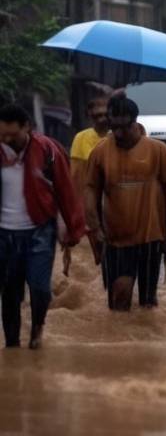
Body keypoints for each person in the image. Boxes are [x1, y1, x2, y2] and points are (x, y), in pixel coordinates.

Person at [0, 104, 85, 349]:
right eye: (2, 135)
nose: (7, 140)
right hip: (4, 233)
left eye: (12, 135)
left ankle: (38, 325)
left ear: (26, 128)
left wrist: (73, 229)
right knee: (10, 293)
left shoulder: (47, 150)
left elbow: (65, 191)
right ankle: (12, 346)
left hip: (39, 229)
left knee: (39, 288)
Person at [85, 96, 166, 311]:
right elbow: (90, 190)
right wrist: (95, 228)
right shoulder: (100, 152)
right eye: (113, 127)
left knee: (148, 303)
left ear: (135, 122)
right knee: (119, 297)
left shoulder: (158, 151)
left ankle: (144, 342)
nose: (118, 133)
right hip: (115, 239)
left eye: (123, 127)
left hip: (151, 238)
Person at [70, 96, 110, 268]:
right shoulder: (81, 138)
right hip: (92, 201)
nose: (101, 119)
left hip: (116, 200)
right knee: (100, 253)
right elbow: (76, 175)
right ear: (89, 116)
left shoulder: (119, 136)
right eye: (96, 115)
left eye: (104, 114)